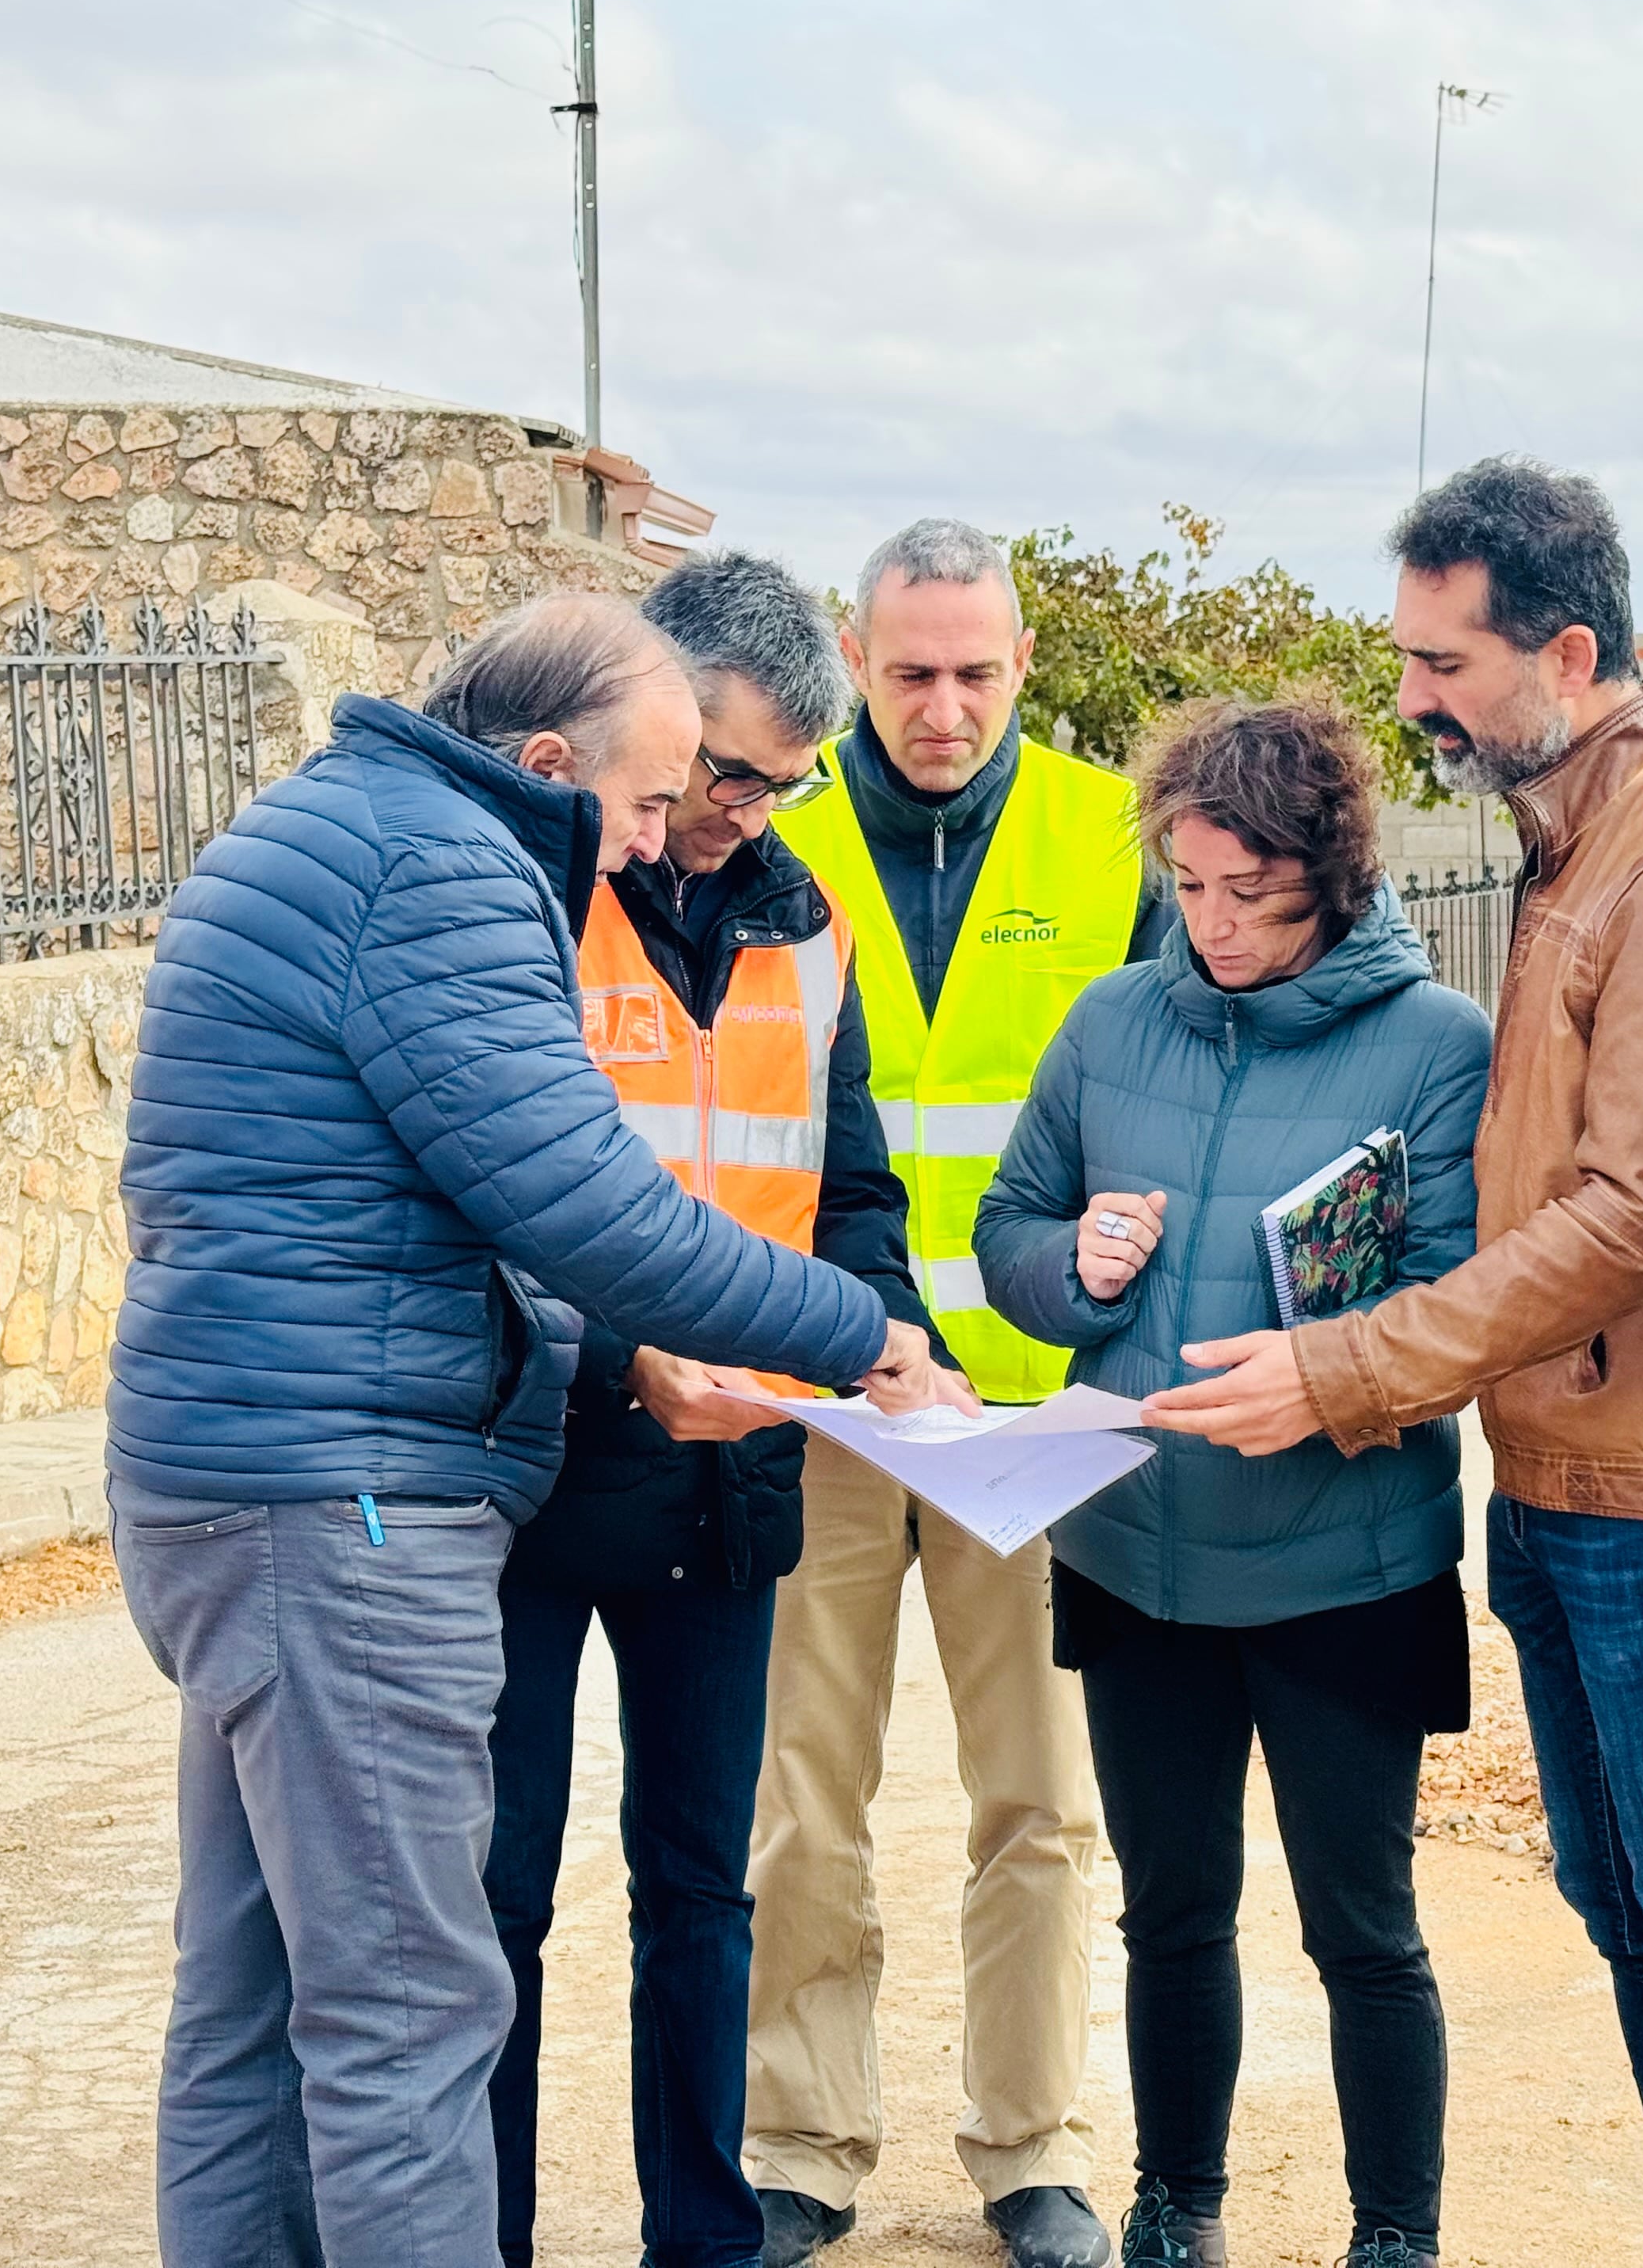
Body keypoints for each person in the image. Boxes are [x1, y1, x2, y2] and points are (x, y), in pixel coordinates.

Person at [107, 592, 943, 2268]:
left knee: (258, 1993)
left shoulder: (325, 825)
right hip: (346, 1501)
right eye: (646, 799)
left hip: (239, 1472)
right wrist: (863, 1340)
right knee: (408, 2015)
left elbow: (437, 1201)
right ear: (550, 761)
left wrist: (612, 1358)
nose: (650, 846)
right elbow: (585, 1205)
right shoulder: (445, 871)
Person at [1148, 458, 1643, 2267]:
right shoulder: (1580, 834)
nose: (1412, 698)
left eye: (1443, 663)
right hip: (1571, 1476)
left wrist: (1345, 1369)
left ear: (1569, 649)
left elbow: (1633, 1222)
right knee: (1632, 1909)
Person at [482, 557, 968, 2268]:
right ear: (654, 715)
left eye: (773, 782)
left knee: (703, 1893)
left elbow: (847, 1190)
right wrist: (623, 1355)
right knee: (500, 1904)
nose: (738, 808)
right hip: (536, 1469)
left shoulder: (807, 920)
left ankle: (706, 2240)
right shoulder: (534, 888)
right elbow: (487, 1192)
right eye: (723, 769)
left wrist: (894, 1340)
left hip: (730, 1484)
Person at [977, 697, 1491, 2268]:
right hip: (1138, 1560)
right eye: (1191, 888)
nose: (1216, 928)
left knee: (1365, 1932)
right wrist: (1068, 1265)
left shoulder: (1440, 1049)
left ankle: (1394, 2233)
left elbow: (1467, 1298)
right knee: (1171, 1914)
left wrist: (1333, 1378)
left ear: (1332, 878)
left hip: (1347, 1567)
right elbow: (1009, 1232)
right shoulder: (1108, 1021)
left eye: (1254, 898)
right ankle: (1172, 2204)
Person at [749, 519, 1173, 2268]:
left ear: (1022, 665)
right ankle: (799, 2145)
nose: (942, 706)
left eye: (976, 673)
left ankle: (1033, 2153)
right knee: (801, 1791)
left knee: (1042, 1803)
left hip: (1034, 1419)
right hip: (824, 1390)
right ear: (856, 659)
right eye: (910, 671)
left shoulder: (1107, 834)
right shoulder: (771, 824)